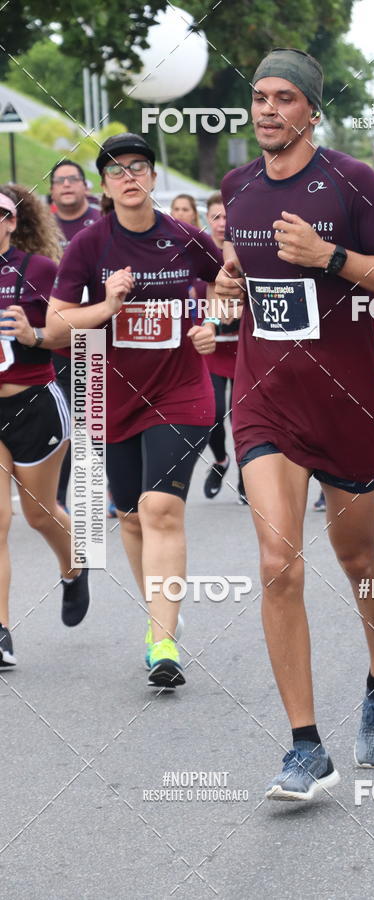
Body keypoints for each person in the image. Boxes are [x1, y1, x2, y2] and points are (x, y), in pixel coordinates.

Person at [217, 48, 374, 800]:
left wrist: (330, 256)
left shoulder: (350, 181)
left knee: (360, 559)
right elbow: (242, 275)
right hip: (265, 401)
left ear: (310, 109)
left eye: (283, 98)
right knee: (279, 564)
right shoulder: (237, 187)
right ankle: (306, 747)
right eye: (259, 96)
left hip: (347, 402)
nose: (267, 109)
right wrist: (228, 285)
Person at [47, 133, 223, 689]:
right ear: (105, 184)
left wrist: (212, 324)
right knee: (128, 514)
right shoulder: (89, 247)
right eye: (117, 170)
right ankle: (159, 618)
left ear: (152, 177)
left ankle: (165, 642)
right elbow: (55, 326)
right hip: (108, 394)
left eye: (139, 167)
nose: (129, 177)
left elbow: (228, 282)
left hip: (181, 392)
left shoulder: (187, 238)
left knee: (160, 508)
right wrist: (108, 304)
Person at [0, 186, 91, 667]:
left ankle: (76, 567)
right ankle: (0, 632)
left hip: (34, 402)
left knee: (40, 514)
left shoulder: (38, 270)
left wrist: (33, 333)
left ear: (13, 221)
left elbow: (72, 329)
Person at [49, 160, 103, 514]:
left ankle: (104, 492)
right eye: (59, 181)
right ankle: (58, 500)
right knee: (65, 420)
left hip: (98, 334)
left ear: (86, 186)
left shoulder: (101, 221)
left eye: (73, 179)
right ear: (52, 190)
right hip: (54, 336)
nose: (67, 185)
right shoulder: (40, 224)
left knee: (94, 420)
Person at [198, 192, 246, 504]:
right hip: (212, 350)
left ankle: (247, 475)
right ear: (207, 220)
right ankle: (220, 460)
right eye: (215, 217)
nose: (221, 223)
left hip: (243, 350)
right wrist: (208, 319)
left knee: (242, 418)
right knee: (212, 413)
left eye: (226, 217)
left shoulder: (245, 253)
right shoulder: (199, 253)